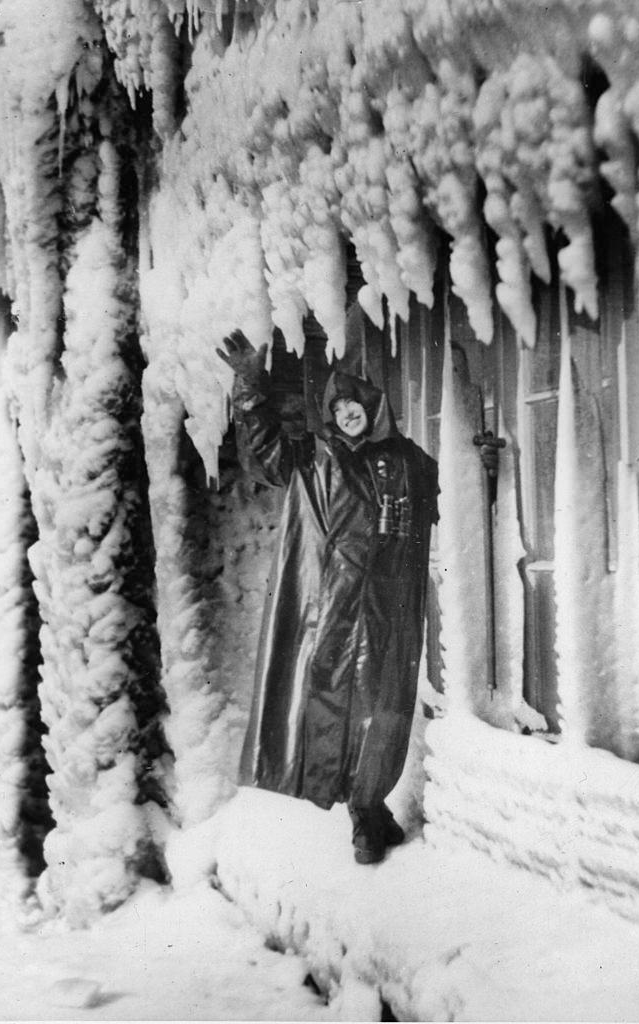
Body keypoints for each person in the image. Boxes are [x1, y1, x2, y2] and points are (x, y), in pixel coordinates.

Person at [217, 329, 439, 864]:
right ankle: (359, 814)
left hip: (387, 608)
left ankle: (369, 810)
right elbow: (266, 453)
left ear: (373, 407)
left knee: (383, 710)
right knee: (331, 707)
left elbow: (440, 504)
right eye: (337, 408)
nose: (347, 413)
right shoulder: (313, 459)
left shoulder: (411, 461)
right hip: (333, 608)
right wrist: (250, 388)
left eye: (355, 404)